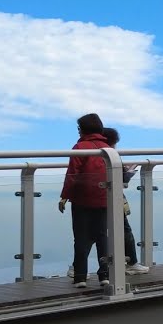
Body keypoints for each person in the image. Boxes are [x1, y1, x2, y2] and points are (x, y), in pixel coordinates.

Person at [59, 113, 111, 288]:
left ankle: (80, 276)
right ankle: (105, 275)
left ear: (83, 129)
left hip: (82, 200)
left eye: (79, 128)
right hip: (104, 199)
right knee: (102, 236)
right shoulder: (108, 149)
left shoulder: (80, 147)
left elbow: (72, 174)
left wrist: (64, 196)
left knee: (80, 238)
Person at [102, 127, 149, 275]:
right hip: (112, 198)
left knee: (97, 233)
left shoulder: (94, 154)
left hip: (95, 199)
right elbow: (122, 179)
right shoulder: (111, 156)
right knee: (124, 230)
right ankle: (131, 262)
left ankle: (78, 269)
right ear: (113, 142)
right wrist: (129, 172)